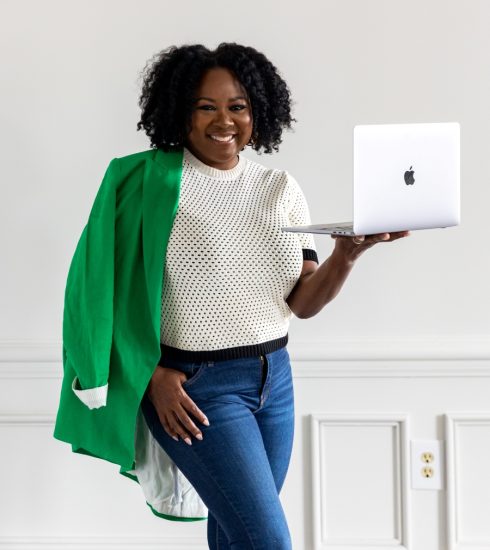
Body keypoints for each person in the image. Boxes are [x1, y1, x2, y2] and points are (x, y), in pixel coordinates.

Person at [55, 42, 410, 550]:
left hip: (275, 381)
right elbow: (93, 292)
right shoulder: (142, 182)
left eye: (237, 106)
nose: (224, 120)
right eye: (206, 106)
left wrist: (347, 255)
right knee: (267, 541)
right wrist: (150, 374)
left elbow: (303, 303)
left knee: (236, 536)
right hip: (198, 390)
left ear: (258, 112)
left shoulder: (279, 187)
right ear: (180, 112)